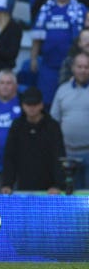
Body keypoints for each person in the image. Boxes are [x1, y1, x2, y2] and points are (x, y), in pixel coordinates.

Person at [2, 87, 65, 194]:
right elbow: (10, 156)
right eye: (28, 104)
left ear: (41, 105)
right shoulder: (17, 126)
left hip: (50, 187)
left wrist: (58, 185)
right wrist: (7, 183)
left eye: (35, 104)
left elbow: (58, 156)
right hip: (23, 183)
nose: (31, 108)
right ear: (23, 105)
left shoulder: (52, 126)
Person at [50, 52, 89, 190]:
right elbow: (53, 122)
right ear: (73, 68)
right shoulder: (62, 90)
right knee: (71, 196)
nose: (83, 70)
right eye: (80, 66)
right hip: (67, 155)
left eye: (86, 67)